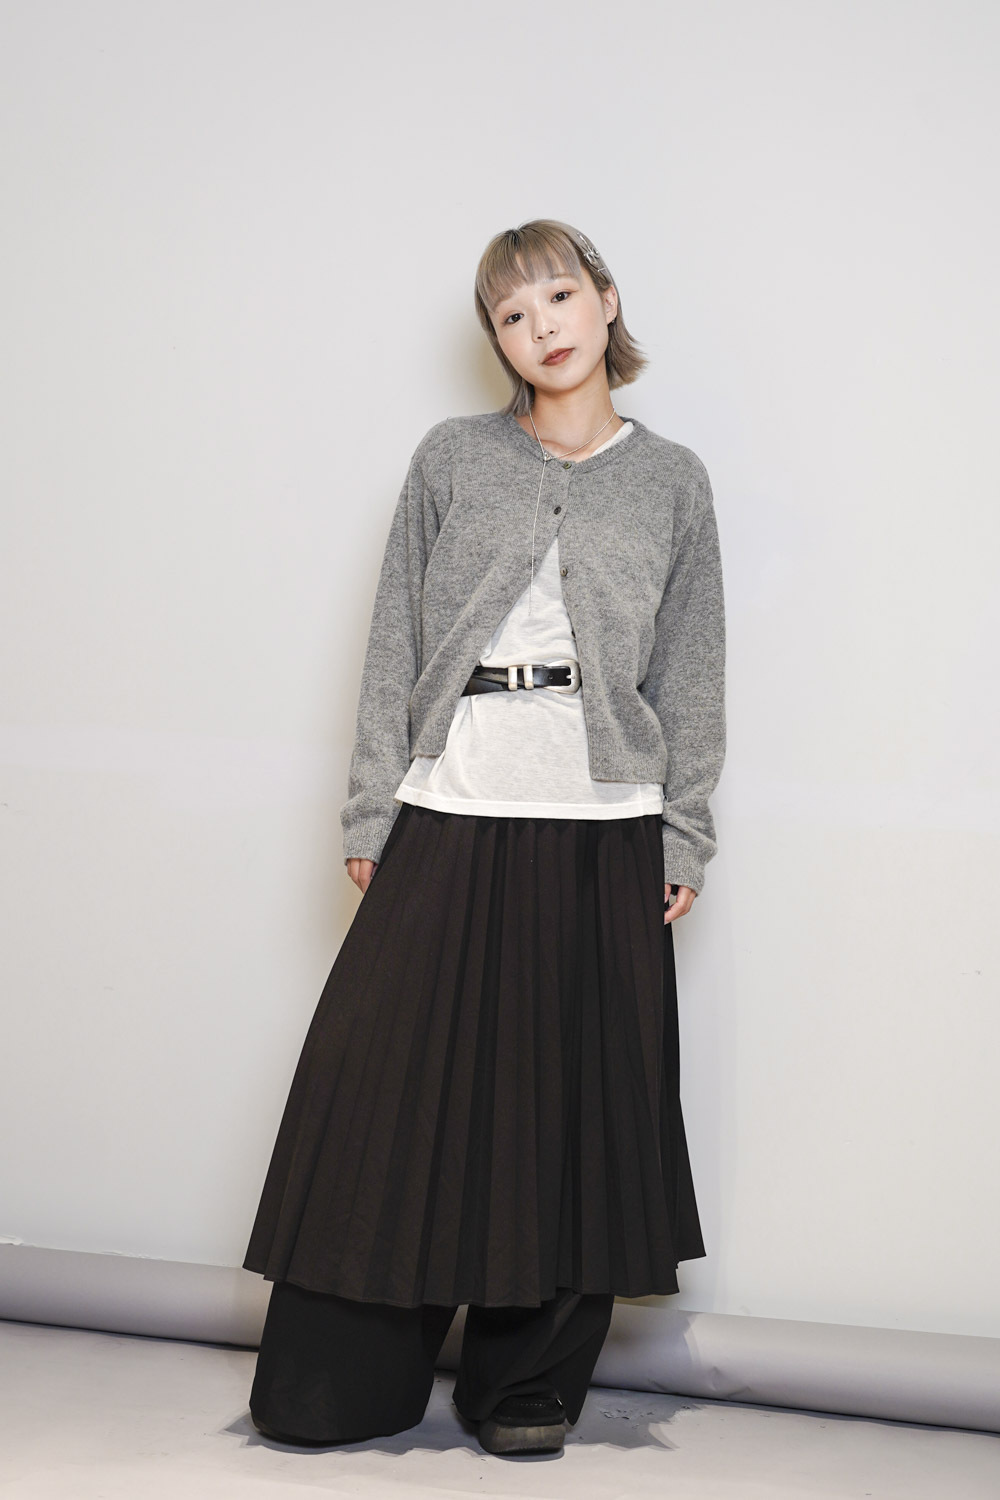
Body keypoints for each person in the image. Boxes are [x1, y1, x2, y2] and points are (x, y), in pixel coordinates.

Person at [241, 218, 727, 1457]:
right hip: (452, 798)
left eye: (557, 296)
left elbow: (691, 668)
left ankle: (523, 1387)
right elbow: (393, 640)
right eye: (511, 314)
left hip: (606, 821)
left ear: (605, 300)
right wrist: (373, 804)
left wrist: (683, 832)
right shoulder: (453, 457)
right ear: (497, 341)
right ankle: (340, 1378)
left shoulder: (672, 480)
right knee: (386, 1088)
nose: (540, 327)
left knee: (575, 1105)